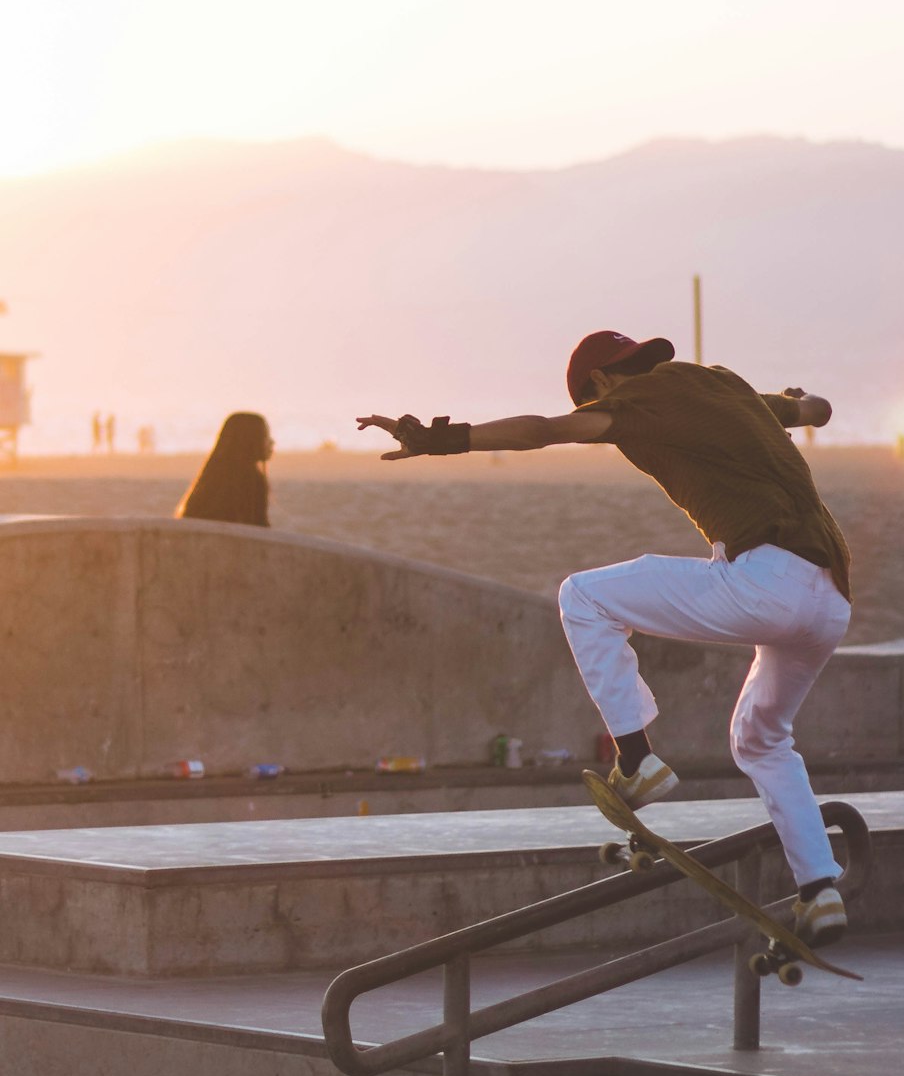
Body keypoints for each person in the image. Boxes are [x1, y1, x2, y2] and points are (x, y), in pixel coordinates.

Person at [357, 330, 853, 949]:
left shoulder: (634, 402)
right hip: (830, 598)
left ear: (597, 384)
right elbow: (815, 411)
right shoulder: (725, 386)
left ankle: (637, 759)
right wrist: (799, 404)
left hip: (764, 581)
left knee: (584, 597)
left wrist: (442, 440)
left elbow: (541, 431)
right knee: (761, 740)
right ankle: (820, 889)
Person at [175, 411, 273, 526]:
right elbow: (258, 529)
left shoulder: (210, 477)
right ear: (251, 441)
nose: (272, 442)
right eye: (266, 436)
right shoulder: (252, 481)